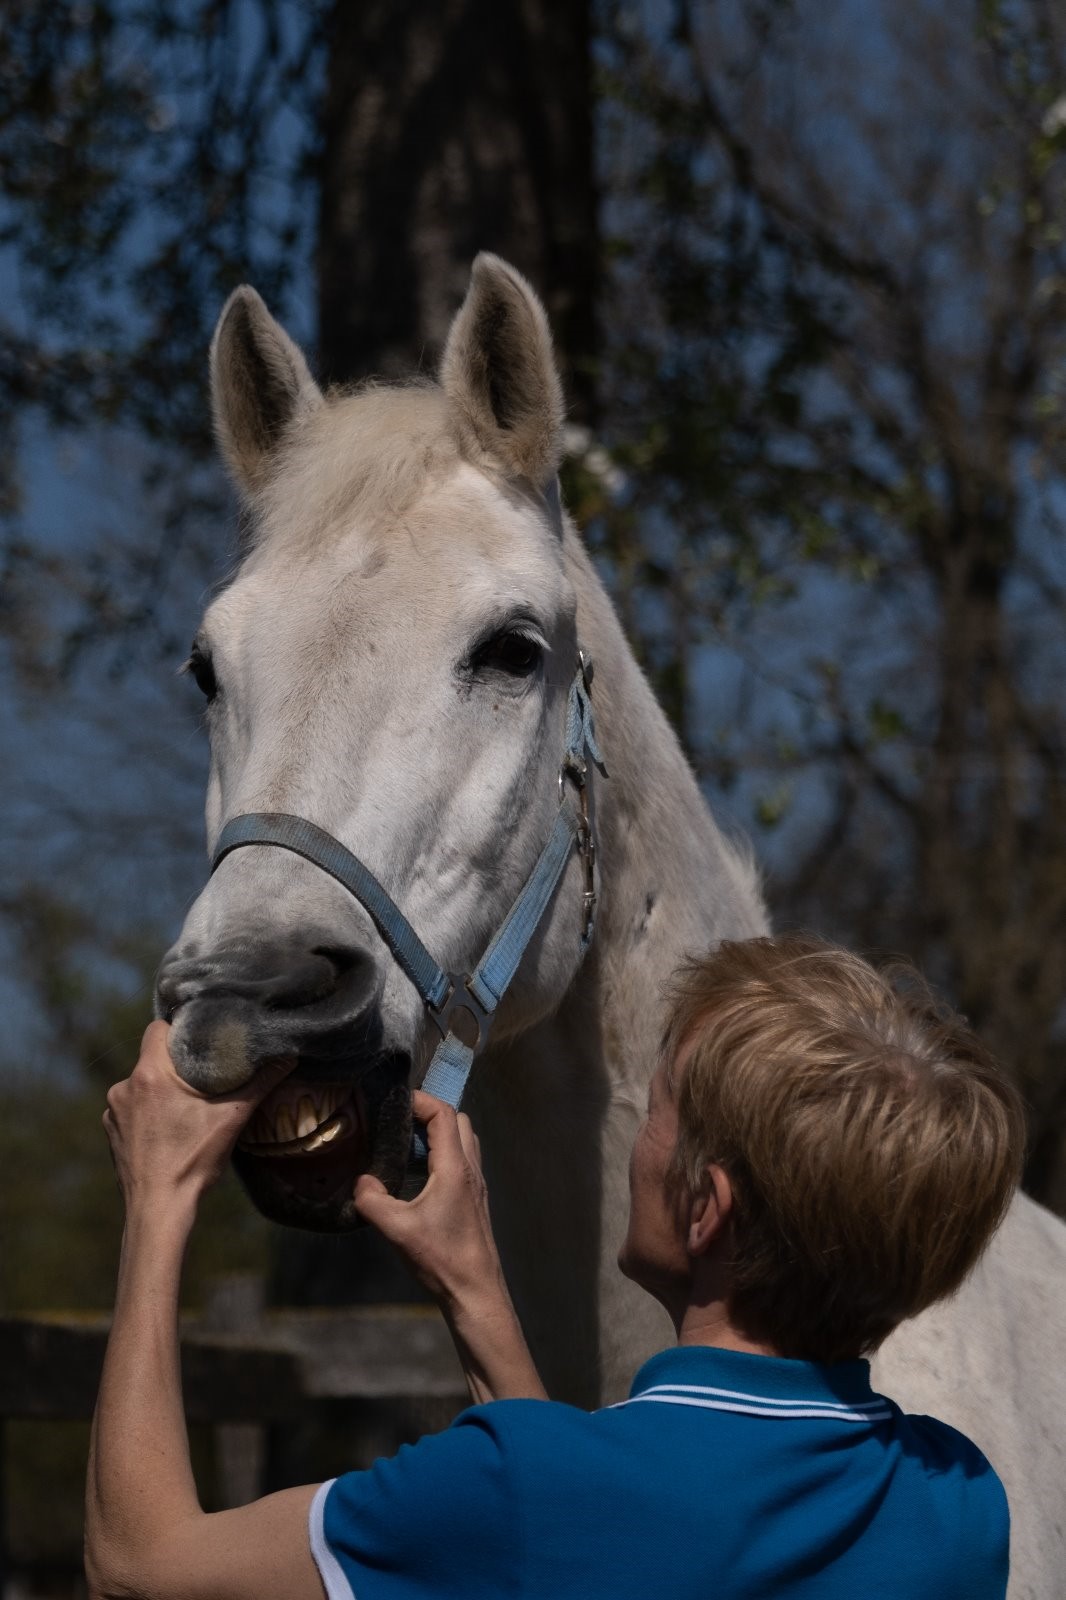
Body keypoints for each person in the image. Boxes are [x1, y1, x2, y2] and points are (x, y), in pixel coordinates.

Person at [85, 934, 1025, 1600]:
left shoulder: (514, 1490)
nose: (639, 1136)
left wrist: (160, 1197)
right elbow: (583, 1548)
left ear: (706, 1209)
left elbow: (141, 1570)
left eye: (657, 1109)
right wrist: (474, 1290)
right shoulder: (958, 1505)